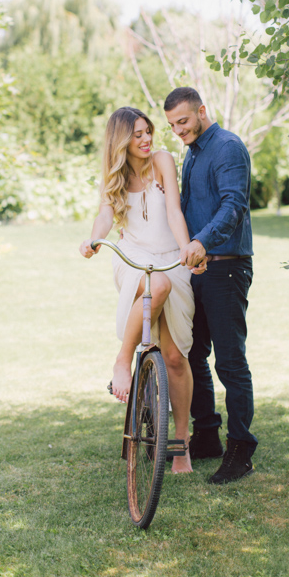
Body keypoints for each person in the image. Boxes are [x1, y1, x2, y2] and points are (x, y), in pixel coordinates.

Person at [79, 106, 203, 474]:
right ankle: (122, 360)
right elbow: (105, 214)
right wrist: (95, 239)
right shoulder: (113, 176)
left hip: (168, 254)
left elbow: (175, 211)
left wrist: (186, 249)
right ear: (121, 140)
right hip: (132, 255)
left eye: (148, 131)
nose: (147, 139)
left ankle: (181, 446)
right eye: (137, 134)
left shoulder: (163, 160)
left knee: (176, 358)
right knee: (157, 284)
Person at [164, 87, 257, 484]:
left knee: (230, 362)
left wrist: (202, 242)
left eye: (183, 121)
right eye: (171, 125)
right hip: (196, 270)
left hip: (226, 268)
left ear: (202, 111)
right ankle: (206, 435)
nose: (178, 130)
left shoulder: (228, 147)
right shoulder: (192, 153)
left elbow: (234, 204)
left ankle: (241, 449)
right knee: (192, 353)